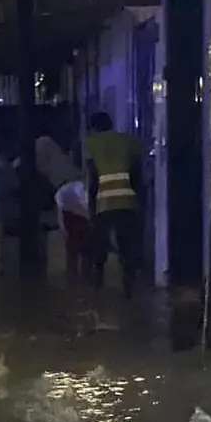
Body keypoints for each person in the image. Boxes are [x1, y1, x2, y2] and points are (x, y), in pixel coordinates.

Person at [84, 111, 145, 295]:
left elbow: (93, 178)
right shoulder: (129, 141)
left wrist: (91, 206)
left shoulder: (91, 144)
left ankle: (98, 283)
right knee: (126, 243)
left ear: (94, 128)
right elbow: (136, 174)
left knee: (100, 242)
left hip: (104, 202)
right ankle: (129, 283)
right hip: (127, 200)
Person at [54, 170, 90, 280]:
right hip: (80, 221)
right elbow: (86, 207)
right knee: (85, 251)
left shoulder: (62, 192)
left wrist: (63, 229)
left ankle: (73, 278)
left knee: (72, 252)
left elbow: (60, 214)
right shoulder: (80, 188)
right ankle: (85, 276)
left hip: (70, 222)